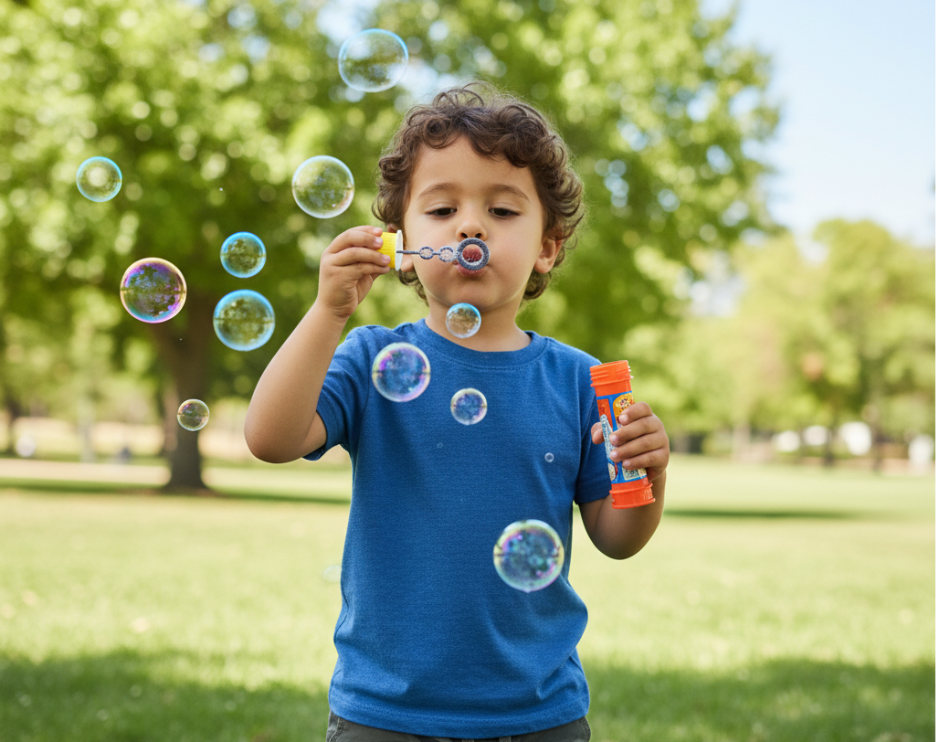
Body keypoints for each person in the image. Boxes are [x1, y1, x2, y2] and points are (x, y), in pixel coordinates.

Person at [245, 83, 669, 742]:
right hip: (385, 713)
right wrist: (328, 312)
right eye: (442, 208)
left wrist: (648, 476)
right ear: (402, 241)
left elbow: (616, 540)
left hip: (539, 714)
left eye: (502, 210)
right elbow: (270, 438)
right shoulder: (370, 356)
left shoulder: (583, 380)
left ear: (548, 247)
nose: (470, 226)